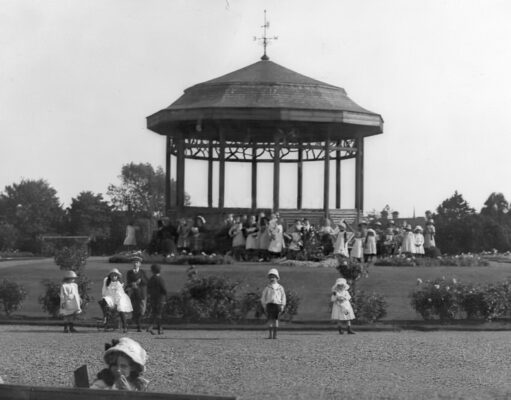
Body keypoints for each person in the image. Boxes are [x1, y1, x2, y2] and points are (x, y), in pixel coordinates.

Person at [98, 268, 133, 333]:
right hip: (110, 297)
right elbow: (104, 290)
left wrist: (116, 303)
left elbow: (118, 295)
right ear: (110, 276)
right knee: (104, 300)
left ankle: (125, 327)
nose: (113, 277)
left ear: (117, 277)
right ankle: (105, 316)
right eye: (112, 275)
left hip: (120, 298)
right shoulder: (106, 281)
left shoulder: (118, 284)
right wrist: (104, 296)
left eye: (115, 276)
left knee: (121, 309)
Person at [260, 268, 286, 339]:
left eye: (274, 277)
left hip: (277, 305)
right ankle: (270, 334)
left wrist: (282, 305)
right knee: (270, 320)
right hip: (269, 305)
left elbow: (283, 297)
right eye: (271, 277)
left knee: (276, 320)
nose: (272, 279)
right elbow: (263, 297)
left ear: (277, 278)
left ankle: (275, 335)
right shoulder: (267, 288)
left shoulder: (280, 288)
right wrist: (264, 305)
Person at [126, 255, 148, 332]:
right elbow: (128, 283)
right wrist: (133, 283)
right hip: (134, 294)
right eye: (134, 262)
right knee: (135, 310)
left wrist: (141, 280)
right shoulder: (129, 273)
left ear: (139, 264)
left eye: (137, 262)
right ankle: (139, 327)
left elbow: (146, 282)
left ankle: (136, 322)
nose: (135, 264)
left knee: (142, 310)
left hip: (142, 294)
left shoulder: (143, 272)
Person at [147, 264, 167, 335]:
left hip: (153, 298)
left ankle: (155, 328)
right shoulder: (160, 279)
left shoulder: (151, 279)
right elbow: (164, 289)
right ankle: (156, 328)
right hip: (160, 298)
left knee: (155, 313)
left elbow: (148, 289)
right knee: (158, 314)